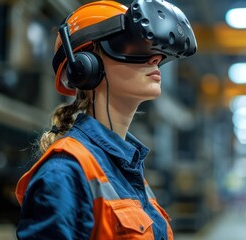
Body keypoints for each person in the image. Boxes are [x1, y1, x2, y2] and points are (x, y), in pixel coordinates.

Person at [14, 0, 197, 239]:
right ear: (85, 66)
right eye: (133, 46)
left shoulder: (128, 170)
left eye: (157, 51)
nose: (155, 59)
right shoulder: (65, 172)